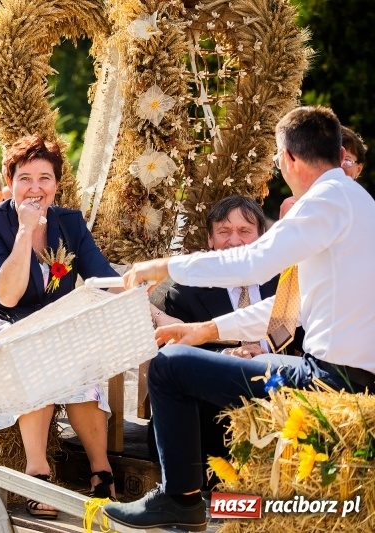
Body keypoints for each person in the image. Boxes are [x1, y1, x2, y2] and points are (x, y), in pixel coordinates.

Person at [103, 106, 375, 531]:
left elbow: (252, 263)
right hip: (350, 377)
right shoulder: (359, 203)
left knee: (168, 367)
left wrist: (163, 266)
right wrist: (206, 331)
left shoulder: (324, 201)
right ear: (339, 152)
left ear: (287, 158)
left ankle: (181, 499)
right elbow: (289, 306)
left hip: (328, 379)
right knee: (188, 358)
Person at [0, 135, 118, 520]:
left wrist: (140, 289)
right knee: (34, 347)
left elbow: (103, 279)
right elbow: (6, 296)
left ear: (56, 184)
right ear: (10, 181)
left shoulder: (69, 222)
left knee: (79, 353)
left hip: (46, 322)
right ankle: (37, 471)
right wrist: (25, 231)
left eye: (45, 178)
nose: (35, 188)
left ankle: (101, 470)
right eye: (25, 177)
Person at [157, 195, 301, 489]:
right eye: (224, 232)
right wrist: (226, 353)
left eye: (245, 231)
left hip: (281, 399)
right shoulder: (184, 291)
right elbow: (175, 353)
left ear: (262, 238)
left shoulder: (286, 281)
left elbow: (304, 339)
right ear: (210, 239)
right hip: (215, 412)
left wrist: (266, 351)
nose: (234, 241)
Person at [279, 124, 367, 217]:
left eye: (346, 160)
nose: (338, 167)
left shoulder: (366, 207)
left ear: (358, 169)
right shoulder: (293, 205)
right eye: (332, 159)